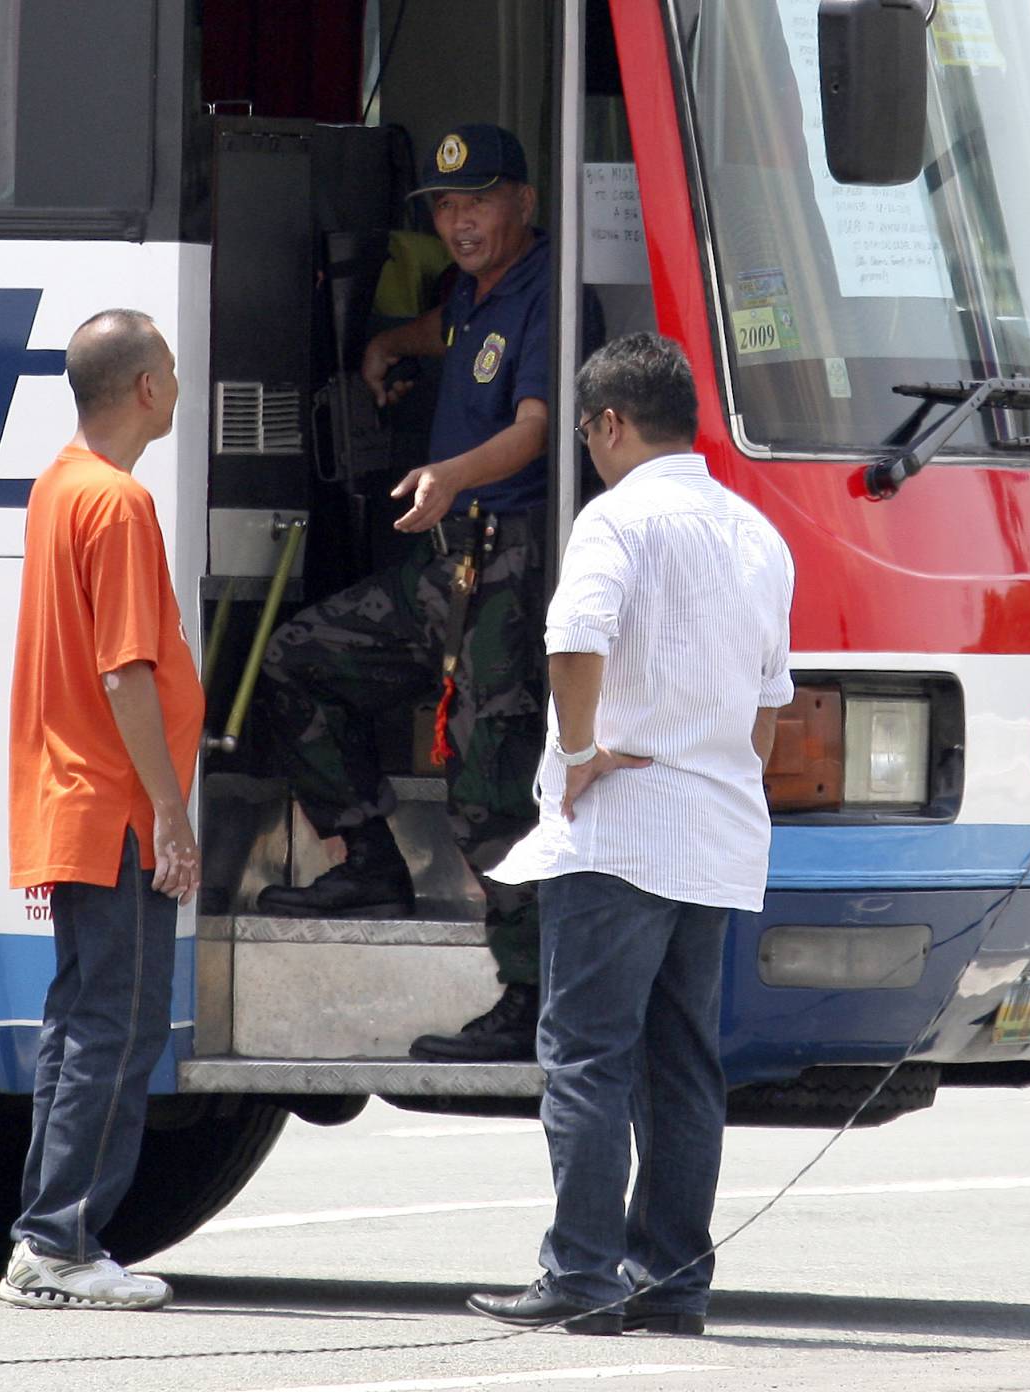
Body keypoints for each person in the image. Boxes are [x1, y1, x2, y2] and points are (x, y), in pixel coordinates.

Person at [467, 334, 794, 1335]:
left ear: (608, 423)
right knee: (682, 1065)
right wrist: (719, 774)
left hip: (620, 836)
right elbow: (769, 703)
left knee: (586, 1058)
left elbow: (574, 640)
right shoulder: (757, 534)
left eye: (585, 430)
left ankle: (579, 1272)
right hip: (716, 836)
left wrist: (577, 751)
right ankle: (670, 1282)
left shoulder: (616, 520)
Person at [258, 123, 549, 1062]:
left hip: (504, 569)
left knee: (486, 788)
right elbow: (445, 329)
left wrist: (451, 475)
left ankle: (532, 997)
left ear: (523, 203)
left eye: (479, 203)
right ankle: (368, 864)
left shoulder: (549, 290)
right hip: (441, 567)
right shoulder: (470, 291)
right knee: (298, 661)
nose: (460, 222)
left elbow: (537, 427)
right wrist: (388, 343)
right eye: (447, 207)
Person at [0, 309, 203, 1311]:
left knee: (83, 1021)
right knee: (118, 1026)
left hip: (71, 797)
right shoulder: (117, 504)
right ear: (146, 389)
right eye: (169, 368)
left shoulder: (58, 485)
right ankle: (60, 1243)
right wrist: (169, 810)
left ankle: (47, 1237)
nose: (177, 384)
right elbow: (126, 672)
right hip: (114, 805)